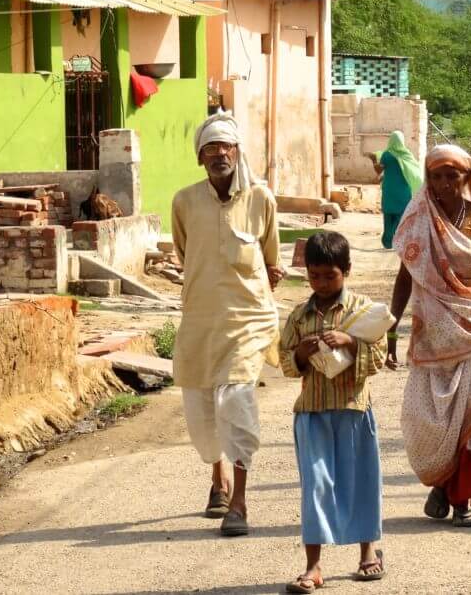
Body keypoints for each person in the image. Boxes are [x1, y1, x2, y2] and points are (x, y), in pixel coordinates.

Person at [387, 144, 471, 528]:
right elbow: (404, 279)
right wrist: (390, 329)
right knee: (433, 420)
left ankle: (462, 499)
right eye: (437, 176)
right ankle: (443, 485)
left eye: (453, 176)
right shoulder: (418, 221)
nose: (445, 184)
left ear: (467, 178)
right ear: (427, 179)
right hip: (432, 336)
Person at [171, 111, 284, 537]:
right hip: (199, 318)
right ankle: (217, 476)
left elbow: (271, 262)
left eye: (226, 146)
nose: (219, 154)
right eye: (210, 148)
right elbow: (186, 255)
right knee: (200, 411)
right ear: (200, 157)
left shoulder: (261, 199)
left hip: (248, 318)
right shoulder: (184, 201)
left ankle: (238, 500)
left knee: (236, 402)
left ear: (237, 152)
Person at [279, 232, 387, 593]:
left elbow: (379, 359)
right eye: (314, 276)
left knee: (361, 482)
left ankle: (368, 553)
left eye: (330, 276)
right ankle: (313, 566)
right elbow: (285, 363)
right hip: (312, 413)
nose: (322, 283)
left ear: (347, 271)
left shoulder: (363, 312)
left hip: (354, 411)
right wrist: (300, 355)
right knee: (315, 487)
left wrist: (351, 343)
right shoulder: (298, 316)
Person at [368, 131, 423, 249]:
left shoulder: (386, 155)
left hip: (389, 190)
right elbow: (414, 170)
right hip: (403, 190)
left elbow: (379, 171)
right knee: (401, 215)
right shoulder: (407, 154)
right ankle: (396, 238)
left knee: (388, 215)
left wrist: (373, 161)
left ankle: (387, 241)